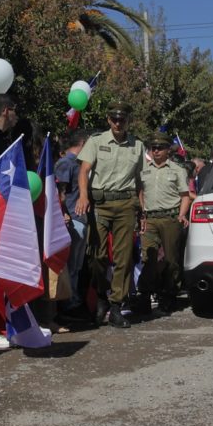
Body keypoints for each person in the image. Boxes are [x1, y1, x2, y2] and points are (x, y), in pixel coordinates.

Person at [74, 101, 145, 328]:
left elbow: (140, 181)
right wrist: (83, 196)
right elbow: (84, 170)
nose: (117, 123)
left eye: (122, 119)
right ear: (108, 120)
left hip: (126, 204)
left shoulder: (138, 145)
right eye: (114, 119)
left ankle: (116, 307)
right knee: (97, 257)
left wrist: (143, 210)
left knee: (124, 258)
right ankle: (102, 297)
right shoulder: (96, 141)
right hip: (100, 204)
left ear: (128, 121)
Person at [137, 131, 191, 315]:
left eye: (160, 148)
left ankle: (169, 295)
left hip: (170, 218)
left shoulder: (178, 170)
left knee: (171, 260)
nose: (156, 151)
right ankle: (144, 294)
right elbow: (141, 192)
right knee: (148, 258)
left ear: (168, 150)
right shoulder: (144, 170)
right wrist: (142, 213)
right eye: (153, 148)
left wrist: (181, 215)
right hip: (150, 218)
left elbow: (185, 196)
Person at [55, 129, 90, 319]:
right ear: (83, 143)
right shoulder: (65, 163)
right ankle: (67, 304)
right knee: (69, 266)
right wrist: (64, 214)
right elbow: (61, 193)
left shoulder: (80, 164)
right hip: (72, 219)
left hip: (82, 218)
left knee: (76, 265)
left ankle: (74, 300)